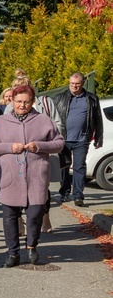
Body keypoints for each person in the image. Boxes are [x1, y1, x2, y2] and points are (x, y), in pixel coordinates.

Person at [0, 85, 64, 267]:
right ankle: (12, 253)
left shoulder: (44, 120)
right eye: (19, 101)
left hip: (37, 176)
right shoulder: (0, 122)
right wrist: (8, 148)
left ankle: (31, 246)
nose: (22, 105)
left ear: (32, 101)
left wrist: (40, 146)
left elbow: (59, 143)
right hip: (10, 177)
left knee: (35, 214)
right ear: (11, 101)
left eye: (26, 102)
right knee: (10, 216)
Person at [53, 72, 104, 207]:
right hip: (63, 139)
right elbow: (52, 118)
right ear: (69, 83)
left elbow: (98, 119)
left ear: (82, 84)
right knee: (63, 167)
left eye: (77, 84)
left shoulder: (91, 98)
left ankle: (78, 196)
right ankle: (64, 193)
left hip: (82, 139)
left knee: (79, 167)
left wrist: (98, 137)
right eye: (72, 84)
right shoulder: (59, 98)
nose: (75, 86)